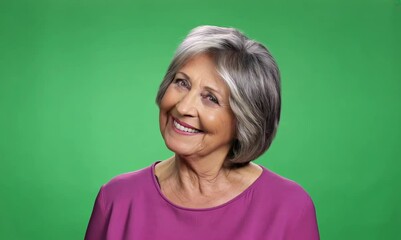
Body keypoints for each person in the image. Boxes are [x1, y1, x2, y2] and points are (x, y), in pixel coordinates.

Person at [85, 25, 320, 240]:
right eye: (182, 83)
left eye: (211, 98)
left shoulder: (289, 208)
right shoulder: (116, 200)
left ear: (245, 120)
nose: (183, 107)